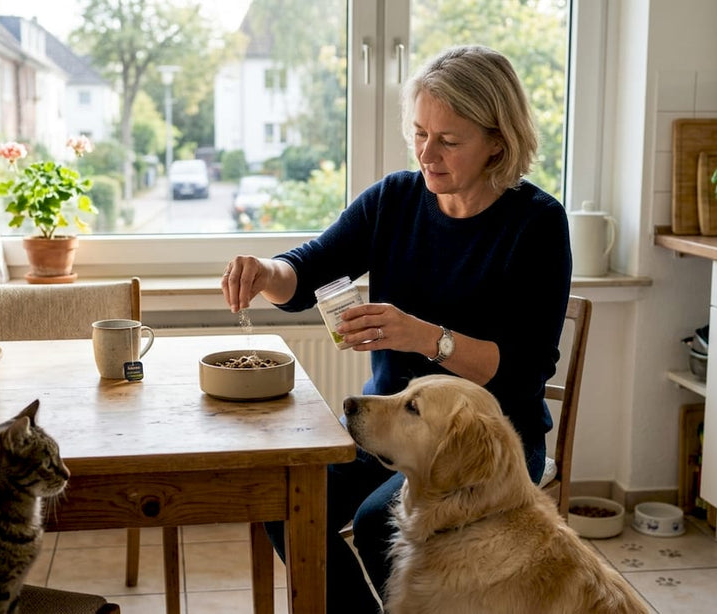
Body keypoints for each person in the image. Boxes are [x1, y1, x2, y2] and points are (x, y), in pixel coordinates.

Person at [221, 44, 572, 612]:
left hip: (490, 443)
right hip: (389, 427)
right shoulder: (395, 200)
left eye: (449, 140)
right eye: (419, 134)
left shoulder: (536, 225)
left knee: (374, 523)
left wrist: (424, 336)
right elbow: (304, 273)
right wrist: (266, 270)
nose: (427, 154)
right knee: (281, 501)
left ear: (498, 143)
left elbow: (525, 375)